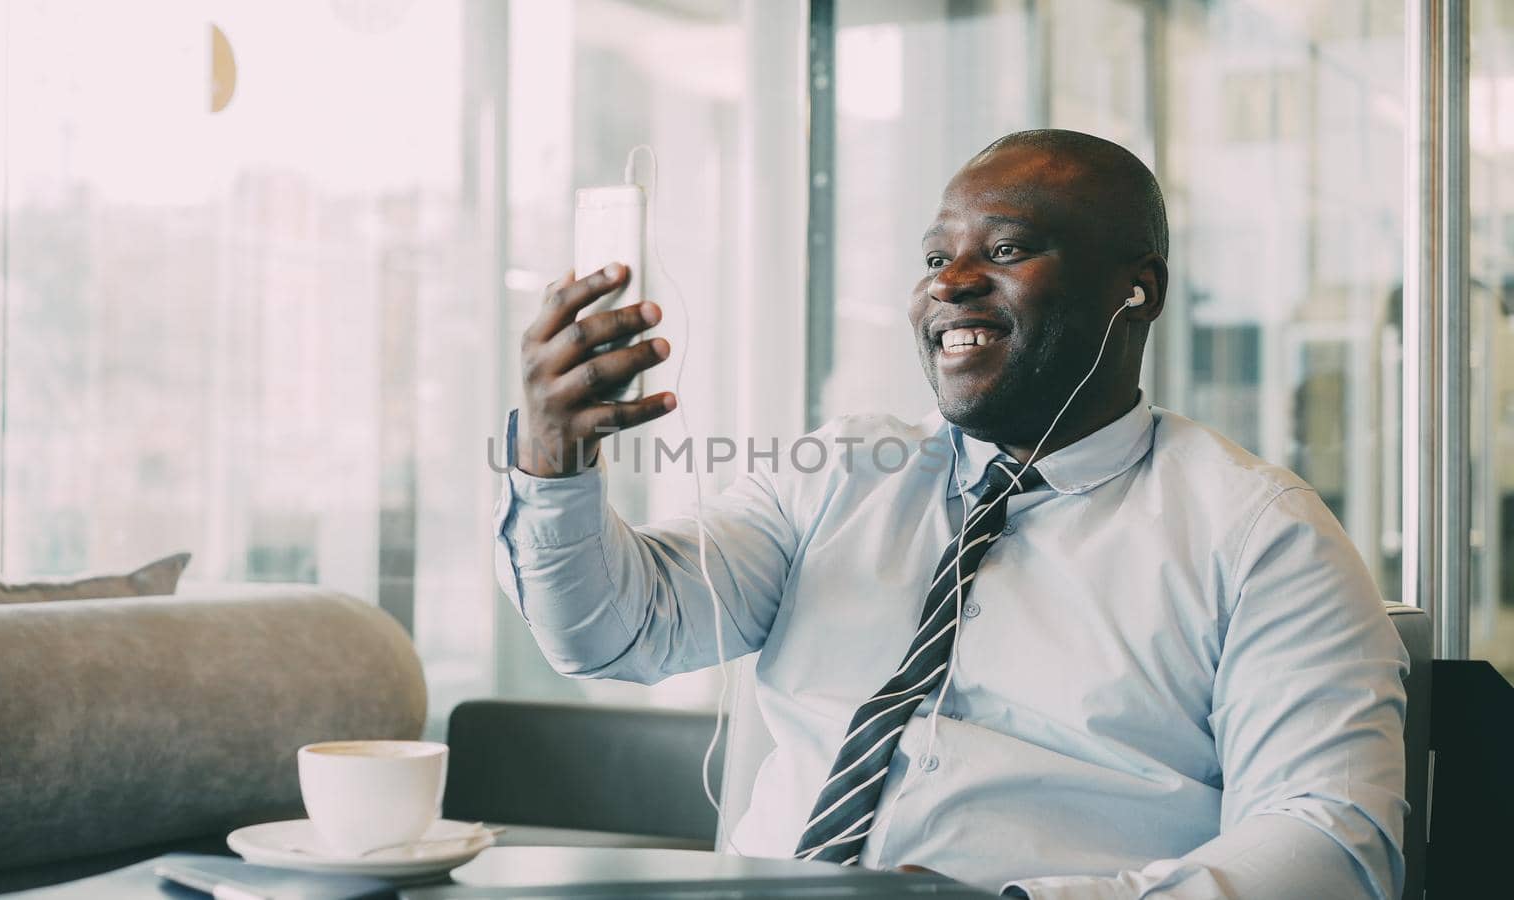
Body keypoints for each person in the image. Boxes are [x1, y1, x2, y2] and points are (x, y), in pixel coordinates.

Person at [492, 129, 1407, 899]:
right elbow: (614, 633)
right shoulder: (835, 476)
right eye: (936, 257)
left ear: (1140, 291)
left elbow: (1331, 839)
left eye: (1004, 251)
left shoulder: (1259, 537)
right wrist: (553, 467)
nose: (952, 282)